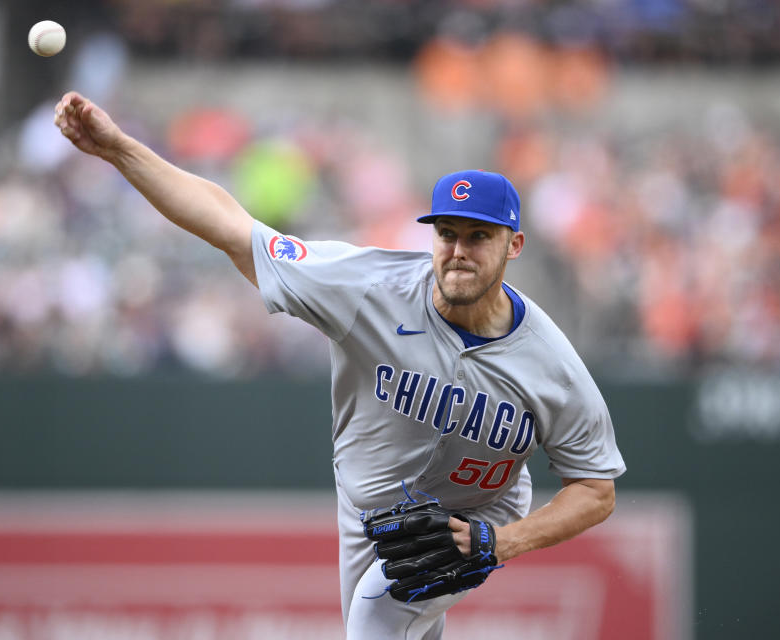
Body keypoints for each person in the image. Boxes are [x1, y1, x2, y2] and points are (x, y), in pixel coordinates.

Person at [53, 91, 626, 639]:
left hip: (475, 518)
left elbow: (595, 488)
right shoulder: (367, 287)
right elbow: (232, 228)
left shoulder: (550, 363)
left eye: (479, 237)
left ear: (514, 245)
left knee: (379, 616)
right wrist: (119, 149)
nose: (458, 251)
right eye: (447, 233)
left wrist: (502, 541)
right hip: (365, 505)